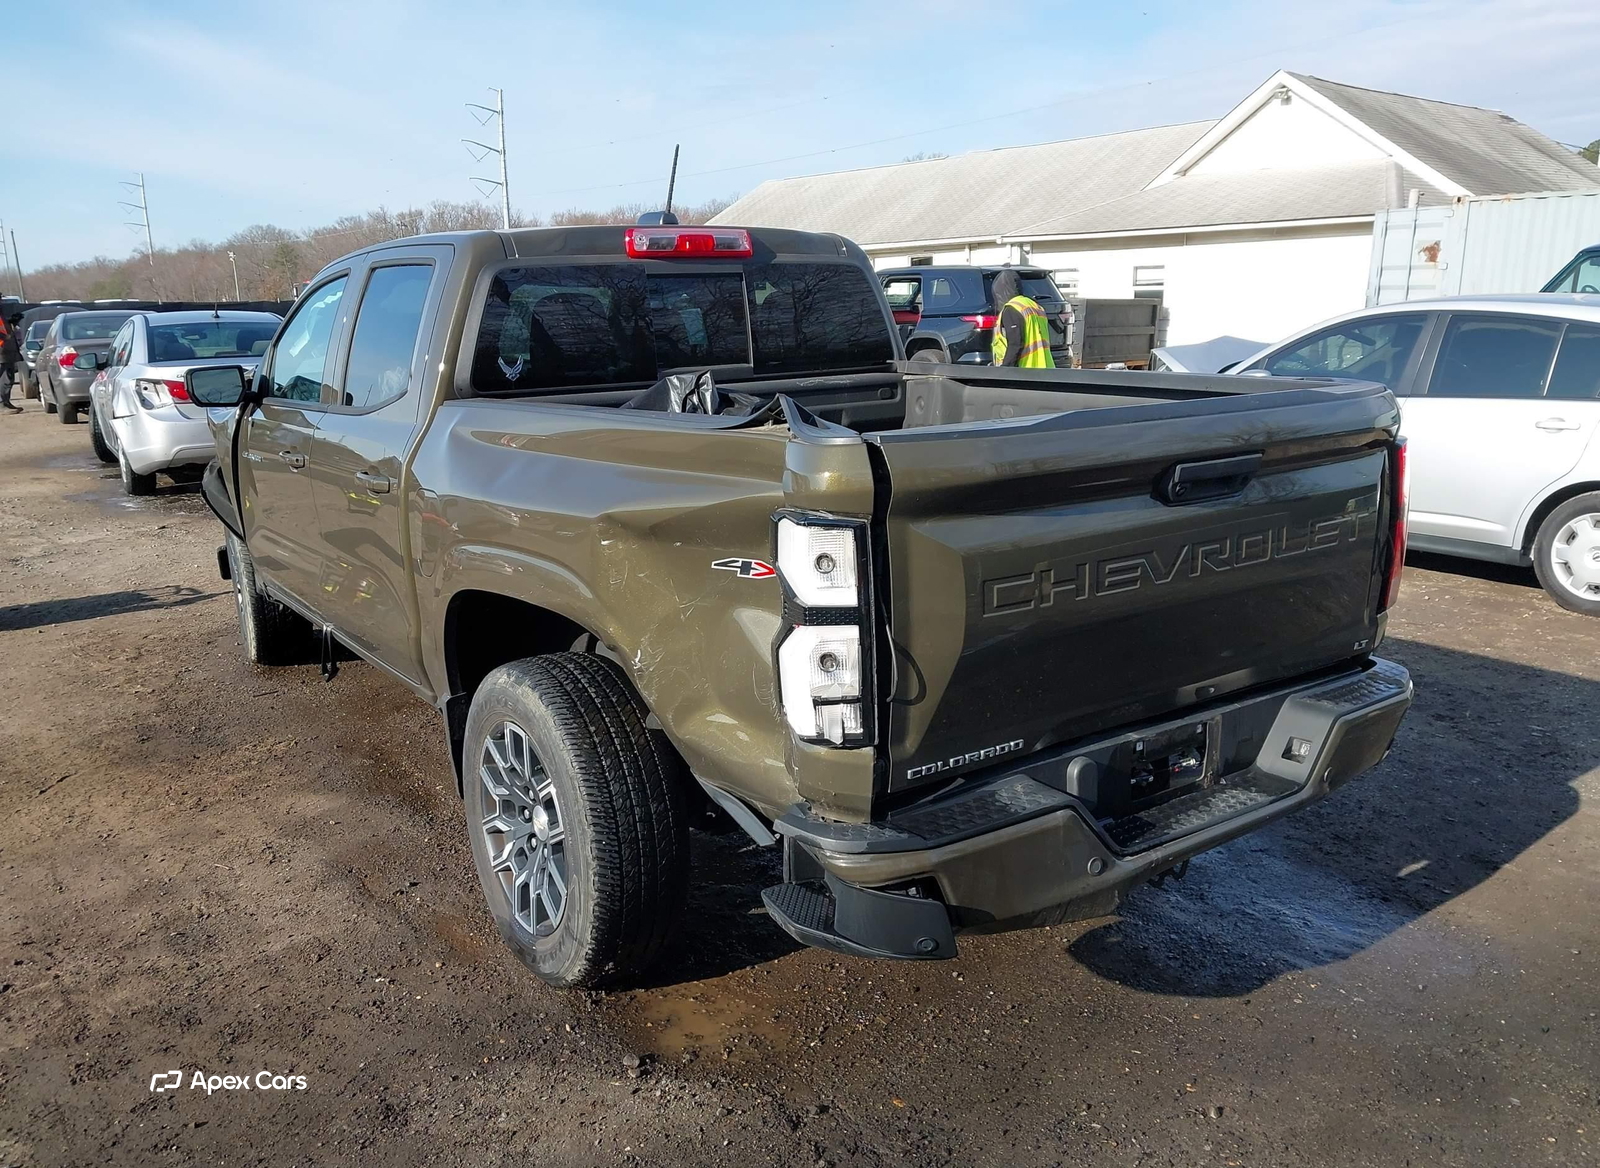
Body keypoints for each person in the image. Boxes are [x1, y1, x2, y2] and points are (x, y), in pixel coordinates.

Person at [989, 269, 1055, 369]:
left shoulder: (1012, 309)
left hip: (1025, 370)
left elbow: (1016, 344)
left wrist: (1005, 369)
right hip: (1045, 368)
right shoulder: (1034, 305)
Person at [0, 312, 23, 412]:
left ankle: (5, 402)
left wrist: (11, 321)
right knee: (4, 378)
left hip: (7, 351)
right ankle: (2, 403)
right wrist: (3, 337)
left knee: (8, 378)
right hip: (2, 351)